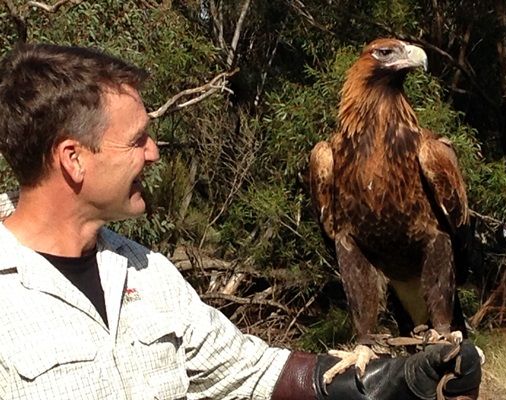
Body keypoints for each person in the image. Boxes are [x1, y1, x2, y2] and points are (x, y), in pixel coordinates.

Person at [0, 43, 481, 400]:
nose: (153, 154)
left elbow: (250, 372)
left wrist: (378, 381)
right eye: (138, 140)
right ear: (73, 159)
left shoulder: (150, 274)